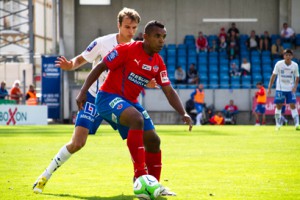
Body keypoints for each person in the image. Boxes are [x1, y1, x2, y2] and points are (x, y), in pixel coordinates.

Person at [33, 7, 144, 194]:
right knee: (77, 143)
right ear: (118, 25)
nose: (131, 32)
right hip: (95, 98)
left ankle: (142, 180)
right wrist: (70, 65)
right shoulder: (102, 43)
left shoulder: (136, 49)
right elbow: (82, 59)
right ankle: (45, 175)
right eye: (127, 27)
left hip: (119, 100)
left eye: (134, 28)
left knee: (138, 138)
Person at [76, 20, 193, 196]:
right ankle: (140, 176)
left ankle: (154, 186)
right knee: (136, 119)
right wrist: (83, 91)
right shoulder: (127, 50)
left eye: (163, 37)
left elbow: (168, 90)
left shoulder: (158, 63)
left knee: (154, 141)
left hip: (130, 102)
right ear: (145, 37)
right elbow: (100, 67)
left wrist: (183, 112)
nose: (161, 40)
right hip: (107, 98)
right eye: (157, 36)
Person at [267, 49, 299, 130]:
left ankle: (297, 124)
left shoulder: (295, 65)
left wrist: (295, 86)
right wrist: (269, 88)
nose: (288, 56)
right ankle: (277, 124)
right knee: (279, 106)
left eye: (289, 55)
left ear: (292, 56)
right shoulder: (279, 64)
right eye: (286, 55)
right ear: (284, 56)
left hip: (290, 89)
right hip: (280, 89)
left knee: (292, 105)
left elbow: (297, 76)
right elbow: (273, 76)